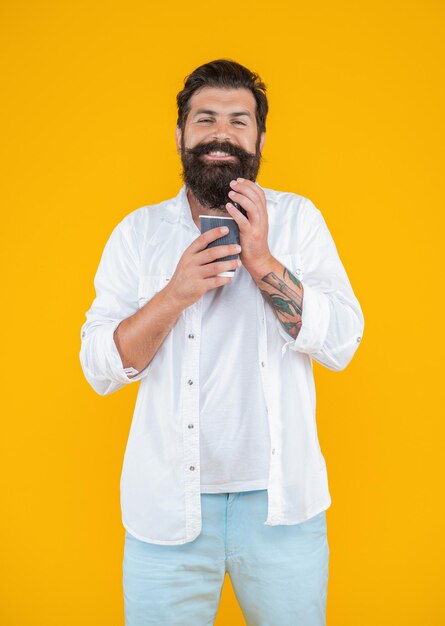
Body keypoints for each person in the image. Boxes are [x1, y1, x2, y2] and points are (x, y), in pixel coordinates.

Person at [79, 59, 364, 626]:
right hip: (167, 514)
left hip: (283, 511)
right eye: (205, 118)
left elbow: (342, 344)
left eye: (239, 120)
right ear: (181, 133)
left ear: (259, 137)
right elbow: (98, 366)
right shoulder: (138, 234)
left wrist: (261, 260)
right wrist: (174, 294)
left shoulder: (300, 220)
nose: (221, 134)